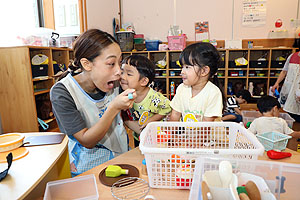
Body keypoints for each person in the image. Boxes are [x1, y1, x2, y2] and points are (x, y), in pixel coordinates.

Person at [50, 29, 137, 176]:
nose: (118, 71)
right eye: (111, 63)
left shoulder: (113, 82)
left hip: (119, 154)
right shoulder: (62, 93)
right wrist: (114, 107)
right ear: (86, 64)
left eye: (119, 62)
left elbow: (125, 118)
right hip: (86, 165)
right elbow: (86, 140)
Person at [120, 55, 171, 147]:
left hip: (159, 137)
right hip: (140, 136)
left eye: (129, 74)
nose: (122, 77)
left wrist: (151, 120)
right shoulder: (125, 95)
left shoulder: (154, 97)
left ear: (143, 81)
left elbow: (168, 108)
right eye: (122, 72)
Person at [169, 42, 224, 122]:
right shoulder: (181, 88)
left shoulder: (213, 92)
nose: (182, 72)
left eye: (187, 67)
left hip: (210, 134)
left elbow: (206, 127)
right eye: (182, 67)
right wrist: (171, 133)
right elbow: (175, 114)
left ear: (204, 71)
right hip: (190, 134)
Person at [272, 52, 300, 122]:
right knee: (289, 109)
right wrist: (277, 83)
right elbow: (284, 71)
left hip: (298, 88)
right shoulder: (292, 56)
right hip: (290, 88)